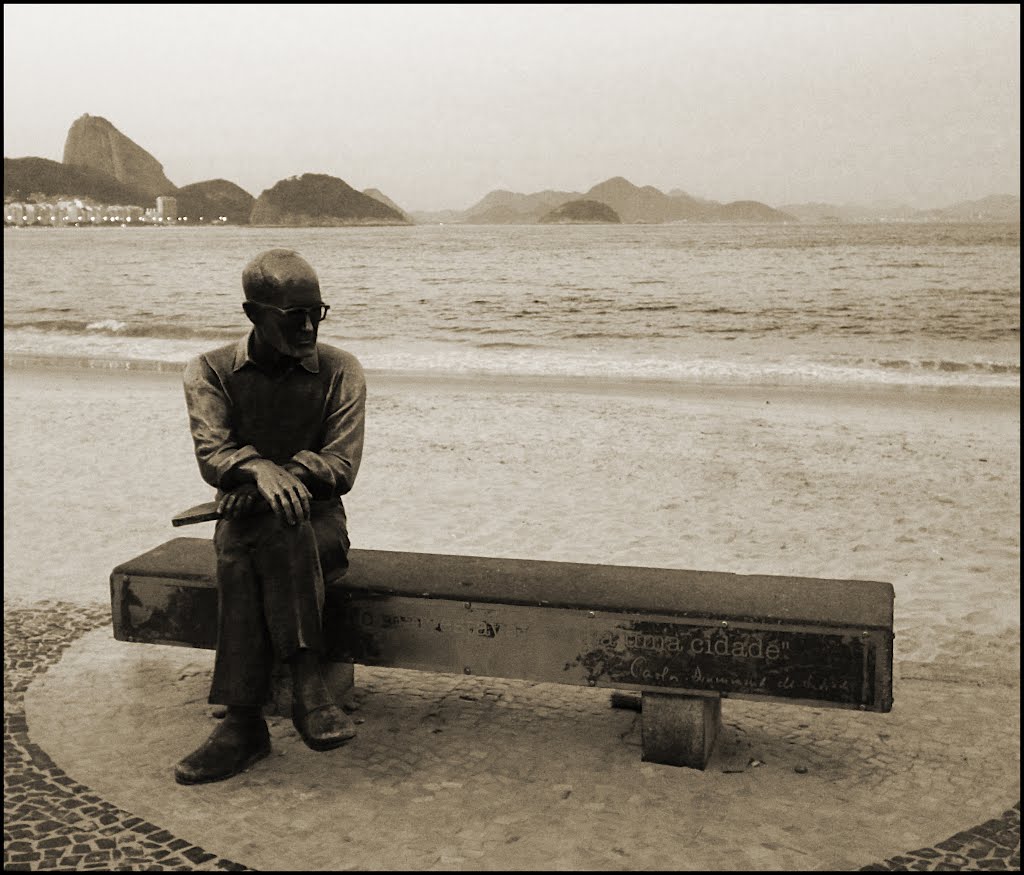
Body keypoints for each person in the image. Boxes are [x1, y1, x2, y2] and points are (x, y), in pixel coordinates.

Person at [174, 248, 367, 785]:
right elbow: (212, 454)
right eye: (293, 316)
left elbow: (342, 466)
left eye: (317, 312)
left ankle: (242, 724)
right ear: (253, 313)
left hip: (321, 527)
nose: (308, 326)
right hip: (251, 525)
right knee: (256, 535)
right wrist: (257, 470)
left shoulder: (341, 371)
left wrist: (263, 482)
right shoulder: (210, 371)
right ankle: (308, 684)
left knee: (257, 533)